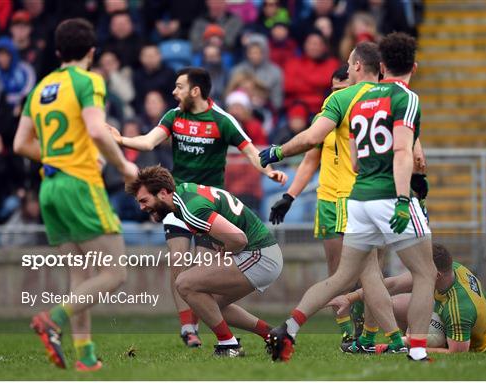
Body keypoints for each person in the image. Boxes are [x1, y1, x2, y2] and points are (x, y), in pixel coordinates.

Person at [260, 32, 436, 362]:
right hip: (387, 195)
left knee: (344, 275)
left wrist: (277, 152)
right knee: (425, 273)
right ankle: (416, 351)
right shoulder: (404, 98)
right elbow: (404, 150)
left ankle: (289, 327)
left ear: (380, 65)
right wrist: (404, 197)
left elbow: (354, 159)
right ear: (413, 66)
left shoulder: (353, 101)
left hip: (357, 199)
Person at [109, 66, 287, 347]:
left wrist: (269, 172)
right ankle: (188, 328)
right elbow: (148, 141)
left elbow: (251, 152)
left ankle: (227, 334)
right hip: (173, 200)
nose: (173, 92)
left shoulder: (222, 120)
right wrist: (121, 139)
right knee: (179, 261)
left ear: (195, 90)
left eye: (179, 86)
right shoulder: (174, 116)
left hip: (206, 207)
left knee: (202, 271)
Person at [13, 18, 138, 372]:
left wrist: (59, 157)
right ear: (91, 52)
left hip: (50, 186)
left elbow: (20, 143)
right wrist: (125, 166)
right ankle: (53, 319)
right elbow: (97, 129)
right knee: (116, 273)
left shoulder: (40, 88)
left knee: (80, 276)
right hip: (80, 184)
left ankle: (85, 357)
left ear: (57, 52)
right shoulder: (88, 80)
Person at [126, 165, 283, 356]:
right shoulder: (184, 193)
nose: (142, 207)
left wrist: (225, 251)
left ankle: (229, 346)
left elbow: (239, 239)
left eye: (144, 200)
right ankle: (273, 335)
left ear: (163, 193)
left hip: (260, 255)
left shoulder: (190, 207)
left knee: (184, 283)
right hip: (262, 253)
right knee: (208, 306)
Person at [268, 66, 358, 340]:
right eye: (332, 91)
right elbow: (310, 160)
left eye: (341, 90)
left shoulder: (366, 112)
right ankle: (348, 334)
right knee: (336, 273)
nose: (335, 95)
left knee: (367, 273)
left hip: (357, 198)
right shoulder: (326, 116)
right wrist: (289, 196)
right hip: (328, 200)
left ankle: (368, 331)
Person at [329, 243, 486, 353]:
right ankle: (406, 339)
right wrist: (350, 298)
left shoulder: (458, 309)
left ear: (436, 275)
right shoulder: (450, 270)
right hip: (444, 309)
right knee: (390, 304)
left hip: (467, 341)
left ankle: (407, 342)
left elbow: (457, 353)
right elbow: (393, 284)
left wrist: (413, 348)